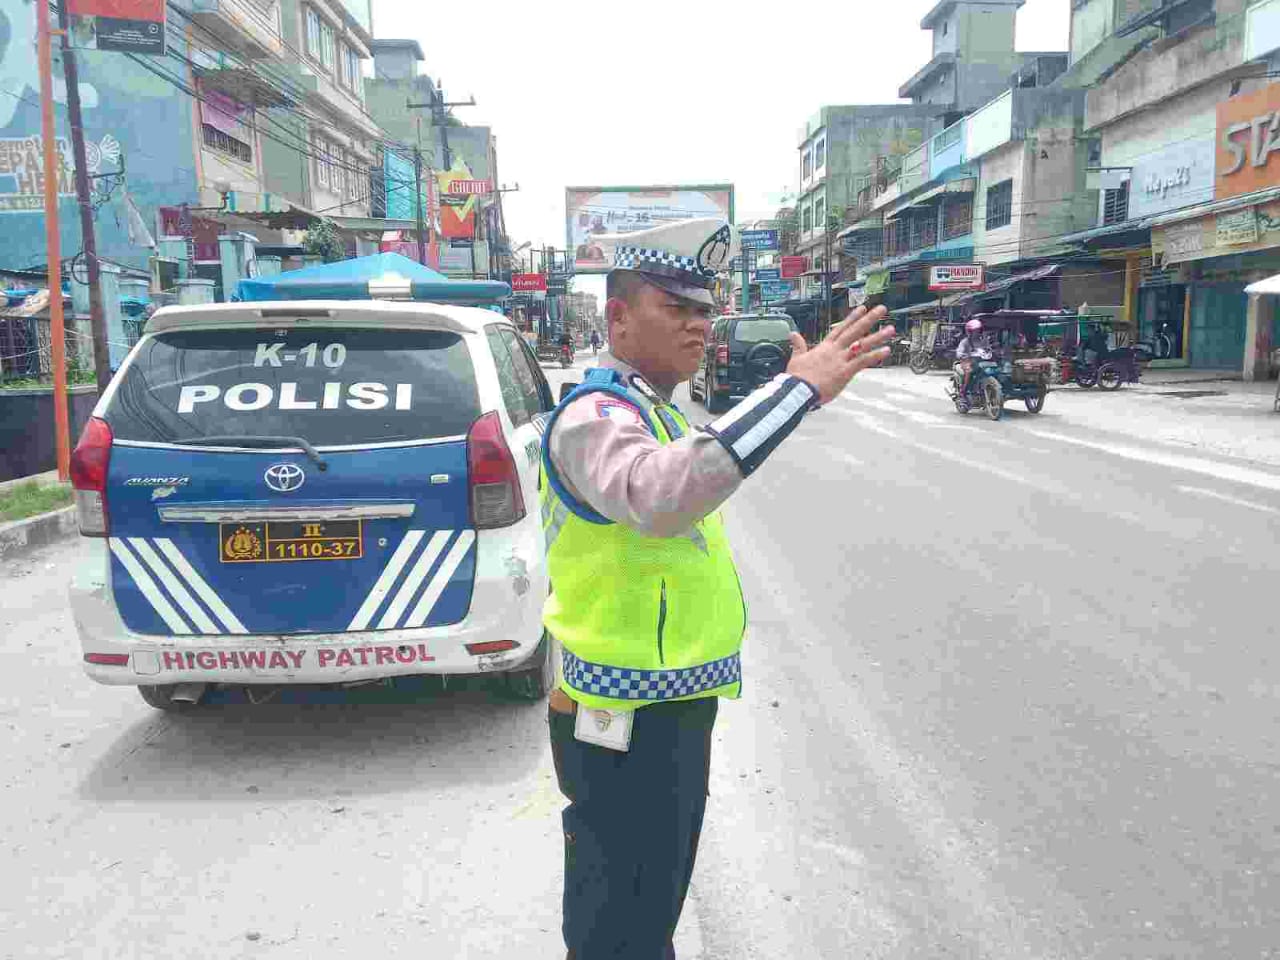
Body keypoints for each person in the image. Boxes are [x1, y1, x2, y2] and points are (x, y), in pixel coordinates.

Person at [539, 217, 894, 960]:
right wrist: (794, 392)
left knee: (650, 906)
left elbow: (702, 460)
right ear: (618, 317)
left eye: (704, 309)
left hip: (665, 704)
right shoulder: (593, 415)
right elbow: (659, 494)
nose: (699, 324)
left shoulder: (657, 407)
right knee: (620, 920)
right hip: (622, 714)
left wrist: (792, 397)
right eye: (676, 308)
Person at [954, 317, 991, 399]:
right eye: (974, 331)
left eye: (978, 331)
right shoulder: (965, 342)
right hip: (967, 362)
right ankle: (963, 391)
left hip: (980, 362)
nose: (976, 333)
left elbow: (988, 349)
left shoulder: (983, 341)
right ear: (969, 332)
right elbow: (959, 352)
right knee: (969, 371)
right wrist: (963, 355)